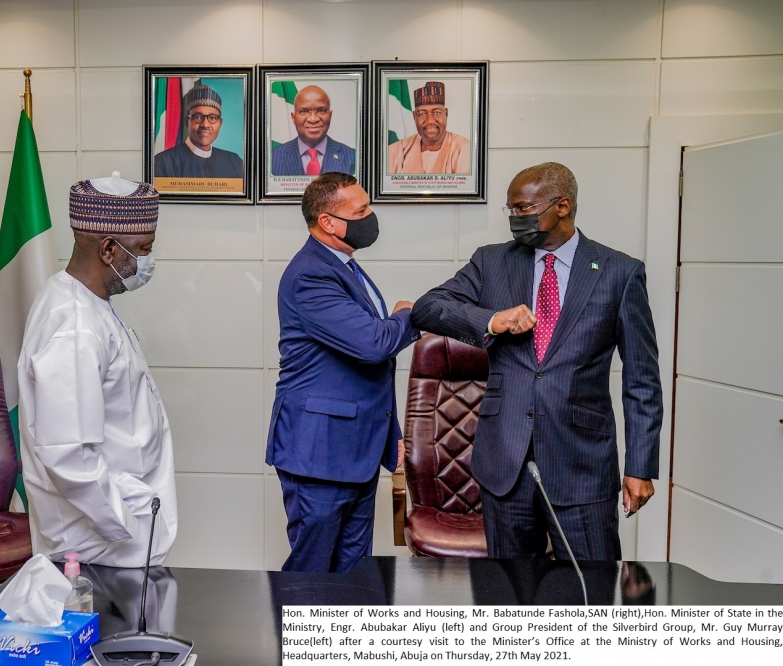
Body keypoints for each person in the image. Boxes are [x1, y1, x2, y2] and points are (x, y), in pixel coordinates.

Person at [410, 162, 661, 561]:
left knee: (589, 599)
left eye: (523, 208)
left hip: (582, 466)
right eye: (510, 210)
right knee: (508, 600)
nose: (514, 218)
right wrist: (493, 320)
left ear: (562, 206)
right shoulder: (491, 262)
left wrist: (640, 466)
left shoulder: (620, 272)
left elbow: (642, 379)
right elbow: (427, 308)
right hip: (505, 465)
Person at [17, 174, 177, 567]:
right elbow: (69, 455)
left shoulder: (84, 301)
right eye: (143, 249)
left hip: (112, 527)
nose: (147, 261)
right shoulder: (74, 325)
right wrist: (125, 525)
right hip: (96, 543)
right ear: (109, 248)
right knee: (114, 628)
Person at [266, 172, 419, 573]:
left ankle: (343, 639)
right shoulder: (310, 275)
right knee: (312, 573)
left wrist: (392, 435)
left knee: (353, 574)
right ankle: (296, 639)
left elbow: (369, 369)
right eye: (361, 210)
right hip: (319, 453)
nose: (371, 216)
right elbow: (373, 345)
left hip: (357, 451)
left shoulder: (346, 266)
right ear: (328, 222)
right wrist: (407, 313)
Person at [153, 84, 244, 179]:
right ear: (187, 122)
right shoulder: (162, 162)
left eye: (213, 118)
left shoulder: (235, 163)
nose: (205, 125)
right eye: (197, 117)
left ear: (220, 124)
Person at [271, 85, 356, 176]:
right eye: (304, 111)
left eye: (321, 110)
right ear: (293, 117)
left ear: (330, 115)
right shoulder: (272, 157)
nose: (313, 119)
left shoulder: (353, 157)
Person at [388, 81, 470, 175]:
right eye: (422, 114)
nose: (430, 120)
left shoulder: (463, 149)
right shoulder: (396, 151)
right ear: (414, 116)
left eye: (437, 113)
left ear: (446, 114)